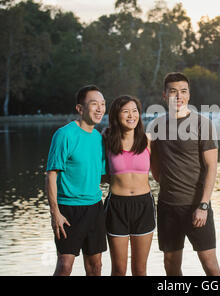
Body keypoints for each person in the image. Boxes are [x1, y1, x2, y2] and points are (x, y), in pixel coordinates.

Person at [150, 72, 220, 276]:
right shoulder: (157, 126)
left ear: (189, 95)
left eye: (183, 91)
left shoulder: (202, 124)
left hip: (197, 207)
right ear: (164, 96)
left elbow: (211, 168)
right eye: (173, 92)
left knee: (209, 264)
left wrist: (203, 205)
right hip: (167, 207)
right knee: (170, 266)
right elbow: (156, 169)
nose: (178, 96)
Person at [45, 85, 107, 276]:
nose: (100, 109)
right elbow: (51, 174)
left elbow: (102, 176)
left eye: (103, 104)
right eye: (94, 104)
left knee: (95, 266)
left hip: (95, 208)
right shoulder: (64, 135)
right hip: (68, 210)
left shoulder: (99, 138)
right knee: (65, 265)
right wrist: (55, 212)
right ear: (80, 109)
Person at [102, 95, 155, 276]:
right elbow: (99, 173)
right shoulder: (106, 140)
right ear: (116, 115)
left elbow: (160, 172)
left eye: (134, 111)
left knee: (140, 270)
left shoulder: (147, 141)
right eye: (125, 111)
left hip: (143, 206)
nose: (131, 115)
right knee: (118, 270)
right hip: (116, 206)